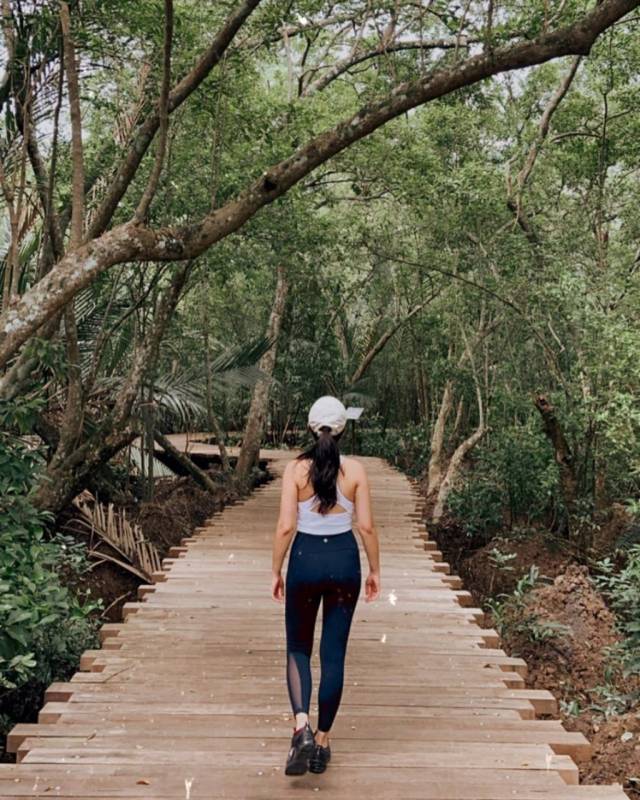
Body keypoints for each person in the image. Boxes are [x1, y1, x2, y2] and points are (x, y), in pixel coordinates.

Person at [271, 395, 381, 776]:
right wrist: (375, 570)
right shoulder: (356, 472)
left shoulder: (296, 470)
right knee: (333, 653)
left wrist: (276, 569)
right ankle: (321, 742)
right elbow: (365, 526)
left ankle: (300, 725)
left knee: (298, 648)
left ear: (309, 426)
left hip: (304, 561)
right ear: (343, 428)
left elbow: (286, 526)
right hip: (344, 563)